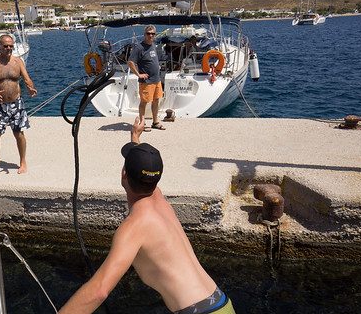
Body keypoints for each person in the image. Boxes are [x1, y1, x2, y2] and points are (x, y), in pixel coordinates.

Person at [58, 117, 235, 314]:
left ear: (124, 173)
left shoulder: (133, 227)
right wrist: (135, 137)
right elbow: (145, 168)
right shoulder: (160, 199)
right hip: (221, 302)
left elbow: (99, 291)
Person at [0, 34, 37, 174]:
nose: (8, 48)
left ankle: (23, 161)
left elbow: (26, 79)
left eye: (11, 46)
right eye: (5, 46)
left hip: (16, 104)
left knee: (19, 133)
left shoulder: (18, 62)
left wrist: (30, 87)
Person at [127, 25, 166, 131]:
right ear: (144, 35)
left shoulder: (153, 45)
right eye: (148, 34)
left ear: (155, 35)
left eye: (153, 34)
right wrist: (139, 74)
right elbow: (130, 62)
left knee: (156, 100)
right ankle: (142, 123)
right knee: (144, 102)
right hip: (146, 81)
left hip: (156, 79)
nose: (150, 35)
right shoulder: (139, 47)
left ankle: (155, 122)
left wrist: (156, 66)